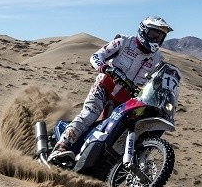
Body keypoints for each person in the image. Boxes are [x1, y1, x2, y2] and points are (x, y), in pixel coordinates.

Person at [47, 16, 173, 165]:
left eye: (160, 37)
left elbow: (157, 83)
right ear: (144, 31)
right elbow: (96, 56)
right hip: (104, 87)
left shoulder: (158, 60)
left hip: (125, 101)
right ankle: (61, 147)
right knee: (90, 114)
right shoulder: (123, 42)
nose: (156, 39)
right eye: (154, 34)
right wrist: (105, 68)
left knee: (112, 131)